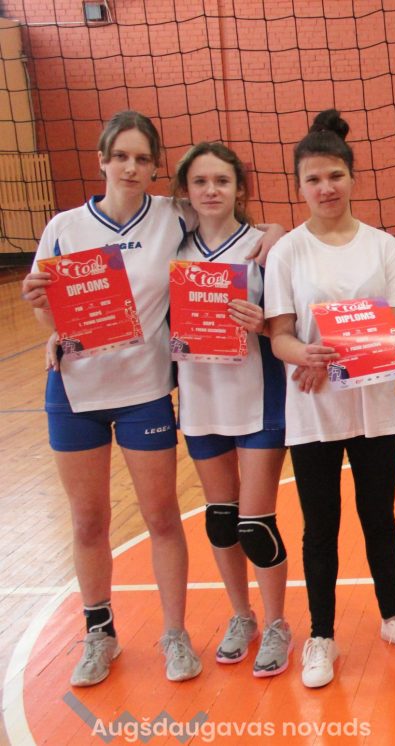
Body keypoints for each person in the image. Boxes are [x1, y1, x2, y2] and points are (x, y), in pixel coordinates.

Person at [21, 110, 202, 685]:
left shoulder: (174, 217)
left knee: (161, 516)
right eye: (120, 156)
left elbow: (235, 219)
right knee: (88, 521)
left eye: (142, 158)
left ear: (154, 167)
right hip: (75, 390)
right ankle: (99, 633)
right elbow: (49, 310)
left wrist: (272, 235)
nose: (130, 167)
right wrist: (43, 312)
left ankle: (175, 634)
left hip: (145, 391)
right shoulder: (64, 227)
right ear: (101, 160)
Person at [264, 109, 395, 688]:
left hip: (373, 406)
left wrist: (352, 356)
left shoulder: (383, 247)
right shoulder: (287, 252)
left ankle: (393, 618)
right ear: (300, 187)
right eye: (313, 179)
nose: (326, 187)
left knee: (379, 518)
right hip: (313, 409)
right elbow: (280, 334)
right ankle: (321, 636)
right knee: (320, 527)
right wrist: (305, 354)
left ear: (352, 177)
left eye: (335, 175)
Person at [172, 142, 292, 675]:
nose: (211, 191)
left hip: (259, 396)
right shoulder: (174, 247)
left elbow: (286, 322)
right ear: (186, 191)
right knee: (221, 520)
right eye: (200, 182)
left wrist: (261, 323)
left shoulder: (265, 248)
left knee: (254, 523)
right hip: (200, 398)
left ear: (240, 188)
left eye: (222, 181)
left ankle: (277, 623)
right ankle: (241, 616)